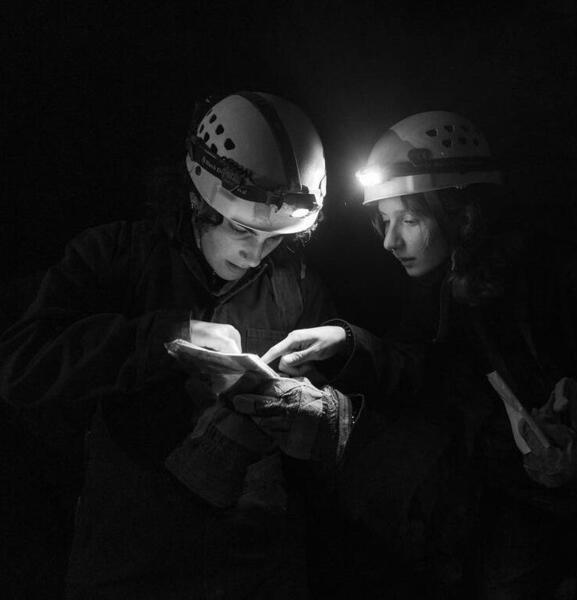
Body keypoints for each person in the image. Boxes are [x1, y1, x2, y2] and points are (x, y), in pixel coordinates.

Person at [264, 111, 577, 598]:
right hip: (520, 502)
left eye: (410, 219)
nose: (390, 240)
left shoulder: (568, 281)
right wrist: (346, 343)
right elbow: (422, 368)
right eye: (384, 220)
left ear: (463, 217)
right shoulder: (443, 286)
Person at [0, 91, 358, 599]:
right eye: (241, 228)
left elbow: (343, 413)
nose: (255, 254)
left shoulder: (296, 286)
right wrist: (168, 337)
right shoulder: (119, 257)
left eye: (275, 237)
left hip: (251, 565)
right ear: (197, 198)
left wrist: (322, 415)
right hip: (129, 561)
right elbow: (20, 364)